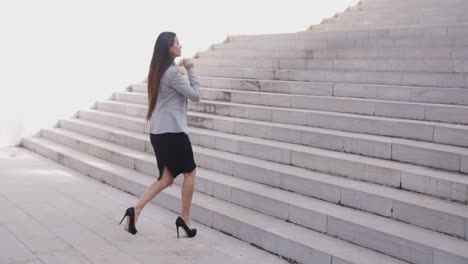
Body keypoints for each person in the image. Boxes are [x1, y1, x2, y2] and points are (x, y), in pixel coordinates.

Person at [119, 31, 200, 239]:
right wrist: (191, 70)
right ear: (169, 48)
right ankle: (185, 219)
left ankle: (134, 211)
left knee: (166, 179)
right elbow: (195, 95)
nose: (181, 46)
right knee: (189, 173)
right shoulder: (172, 73)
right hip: (172, 132)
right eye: (177, 43)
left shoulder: (158, 71)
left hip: (159, 132)